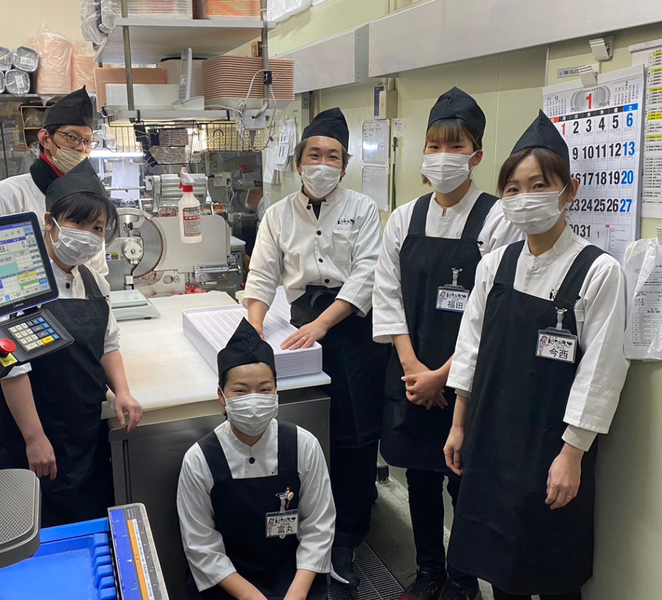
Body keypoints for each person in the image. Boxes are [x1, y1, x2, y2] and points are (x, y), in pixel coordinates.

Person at [443, 111, 630, 600]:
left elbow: (601, 371)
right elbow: (470, 347)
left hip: (552, 445)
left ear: (569, 191)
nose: (524, 198)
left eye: (538, 185)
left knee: (553, 570)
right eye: (513, 188)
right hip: (490, 437)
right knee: (497, 565)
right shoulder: (494, 265)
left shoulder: (598, 272)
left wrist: (572, 454)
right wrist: (459, 424)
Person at [372, 87, 522, 600]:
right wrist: (414, 368)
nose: (442, 157)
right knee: (418, 478)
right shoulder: (403, 218)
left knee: (465, 482)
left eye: (455, 147)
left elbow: (493, 313)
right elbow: (387, 296)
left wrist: (445, 376)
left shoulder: (498, 220)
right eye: (434, 146)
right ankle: (428, 572)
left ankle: (462, 580)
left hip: (466, 381)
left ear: (476, 155)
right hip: (412, 375)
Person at [243, 107, 388, 588]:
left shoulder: (363, 209)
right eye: (315, 155)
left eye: (333, 157)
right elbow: (262, 275)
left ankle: (347, 538)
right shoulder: (277, 215)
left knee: (356, 437)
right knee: (305, 429)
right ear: (298, 161)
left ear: (344, 167)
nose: (323, 164)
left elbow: (367, 273)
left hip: (354, 329)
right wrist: (254, 331)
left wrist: (324, 325)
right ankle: (305, 527)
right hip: (301, 324)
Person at [0, 161, 143, 527]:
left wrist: (122, 391)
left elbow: (108, 343)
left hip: (81, 426)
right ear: (49, 222)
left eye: (97, 227)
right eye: (77, 222)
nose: (87, 234)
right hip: (27, 431)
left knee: (84, 521)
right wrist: (34, 438)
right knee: (31, 525)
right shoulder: (19, 282)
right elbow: (12, 367)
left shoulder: (94, 282)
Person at [177, 319, 335, 600]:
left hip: (294, 575)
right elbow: (200, 545)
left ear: (276, 391)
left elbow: (318, 527)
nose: (254, 400)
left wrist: (296, 594)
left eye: (264, 389)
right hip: (227, 581)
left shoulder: (303, 445)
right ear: (222, 396)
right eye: (240, 390)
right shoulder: (199, 459)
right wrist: (251, 596)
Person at [0, 86, 108, 275]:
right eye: (72, 137)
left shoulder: (90, 200)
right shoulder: (8, 195)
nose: (81, 148)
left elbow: (97, 272)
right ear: (45, 139)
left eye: (87, 141)